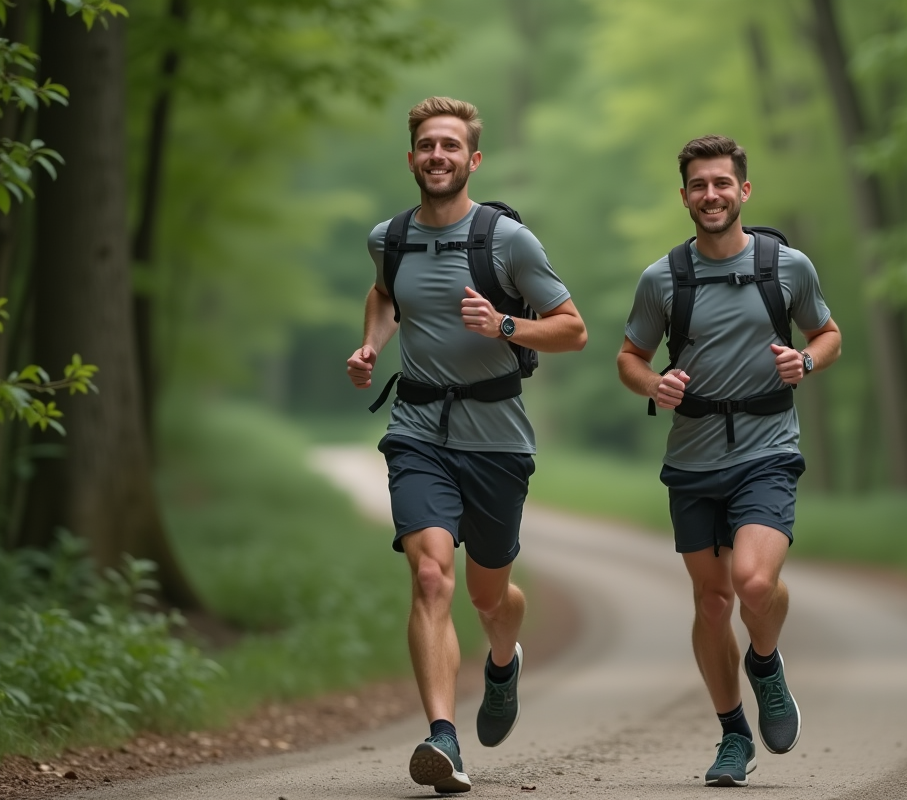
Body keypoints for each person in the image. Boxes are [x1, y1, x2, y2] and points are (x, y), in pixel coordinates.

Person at [346, 96, 587, 794]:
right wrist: (370, 344)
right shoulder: (388, 237)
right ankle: (442, 737)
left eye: (451, 145)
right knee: (429, 577)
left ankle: (504, 659)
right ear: (412, 157)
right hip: (418, 430)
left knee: (489, 598)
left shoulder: (508, 241)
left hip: (497, 442)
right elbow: (386, 295)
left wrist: (506, 328)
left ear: (472, 159)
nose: (438, 156)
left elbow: (572, 329)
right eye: (427, 145)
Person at [616, 134, 841, 787]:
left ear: (744, 191)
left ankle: (765, 666)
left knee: (753, 584)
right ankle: (732, 736)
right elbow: (629, 356)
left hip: (768, 449)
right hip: (692, 459)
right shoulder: (663, 280)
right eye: (698, 185)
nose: (710, 194)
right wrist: (651, 383)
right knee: (712, 603)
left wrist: (807, 361)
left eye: (722, 183)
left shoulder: (786, 268)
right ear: (684, 195)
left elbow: (827, 334)